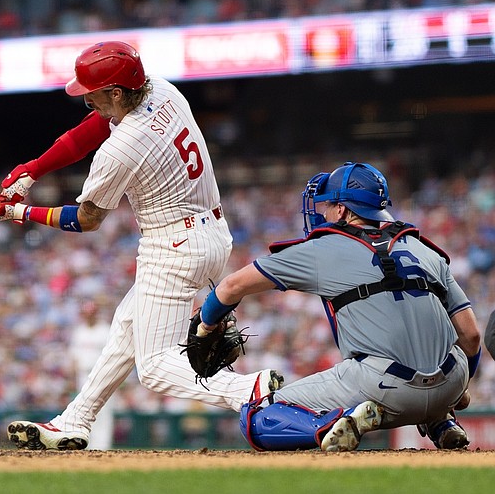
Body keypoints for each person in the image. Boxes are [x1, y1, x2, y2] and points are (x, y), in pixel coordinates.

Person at [0, 40, 282, 450]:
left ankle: (245, 390)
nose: (86, 99)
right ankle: (76, 421)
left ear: (117, 92)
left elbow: (86, 219)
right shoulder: (161, 89)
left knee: (156, 366)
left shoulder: (123, 148)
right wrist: (32, 170)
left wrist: (20, 214)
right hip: (211, 232)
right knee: (127, 328)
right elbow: (91, 129)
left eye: (94, 93)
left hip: (173, 245)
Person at [196, 162, 482, 452]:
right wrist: (458, 388)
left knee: (257, 416)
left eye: (327, 206)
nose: (321, 213)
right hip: (451, 380)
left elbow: (231, 287)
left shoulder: (323, 249)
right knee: (430, 370)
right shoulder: (427, 250)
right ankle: (440, 420)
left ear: (343, 211)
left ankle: (339, 424)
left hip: (382, 388)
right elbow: (471, 336)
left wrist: (206, 325)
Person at [69, 300, 114, 450]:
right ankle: (86, 444)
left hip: (102, 376)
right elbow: (74, 357)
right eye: (86, 314)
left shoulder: (105, 330)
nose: (89, 317)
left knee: (103, 411)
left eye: (91, 314)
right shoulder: (79, 331)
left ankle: (103, 446)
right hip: (83, 375)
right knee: (83, 409)